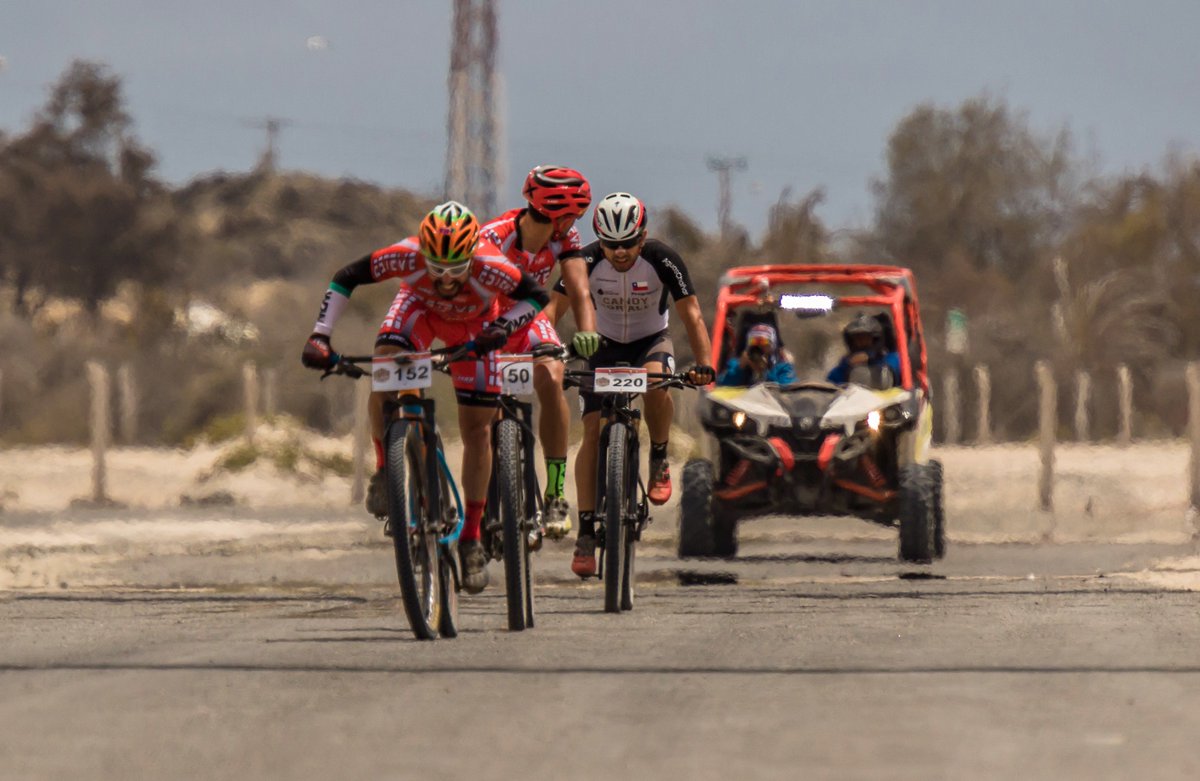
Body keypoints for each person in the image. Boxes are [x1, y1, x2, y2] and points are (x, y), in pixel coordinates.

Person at [300, 201, 552, 595]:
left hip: (475, 327)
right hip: (418, 312)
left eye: (455, 270)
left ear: (472, 256)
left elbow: (537, 297)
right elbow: (345, 277)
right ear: (424, 256)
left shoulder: (492, 267)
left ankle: (470, 537)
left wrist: (503, 327)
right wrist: (320, 335)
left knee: (477, 432)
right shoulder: (405, 254)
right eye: (436, 269)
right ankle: (387, 468)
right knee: (385, 368)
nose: (446, 280)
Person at [549, 192, 715, 577]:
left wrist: (704, 364)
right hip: (601, 347)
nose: (620, 252)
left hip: (649, 343)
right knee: (591, 432)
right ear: (599, 239)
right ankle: (587, 531)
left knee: (659, 383)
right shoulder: (585, 260)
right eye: (611, 244)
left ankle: (658, 457)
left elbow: (691, 315)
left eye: (628, 244)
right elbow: (551, 312)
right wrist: (546, 355)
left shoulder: (663, 259)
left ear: (643, 238)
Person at [479, 165, 598, 539]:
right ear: (556, 215)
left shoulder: (566, 239)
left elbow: (578, 289)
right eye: (574, 215)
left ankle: (556, 492)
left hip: (528, 319)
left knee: (552, 373)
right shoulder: (494, 236)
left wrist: (588, 333)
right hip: (486, 322)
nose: (575, 221)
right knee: (479, 405)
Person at [826, 313, 901, 388]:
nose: (860, 341)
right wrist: (847, 365)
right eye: (857, 338)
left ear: (875, 339)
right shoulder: (847, 362)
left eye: (865, 337)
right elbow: (831, 382)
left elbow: (894, 369)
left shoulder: (890, 358)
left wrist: (871, 358)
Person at [717, 323, 796, 386]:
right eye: (754, 342)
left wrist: (764, 372)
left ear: (772, 346)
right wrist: (739, 368)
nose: (759, 347)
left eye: (764, 343)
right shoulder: (736, 364)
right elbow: (721, 385)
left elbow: (788, 390)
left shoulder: (782, 367)